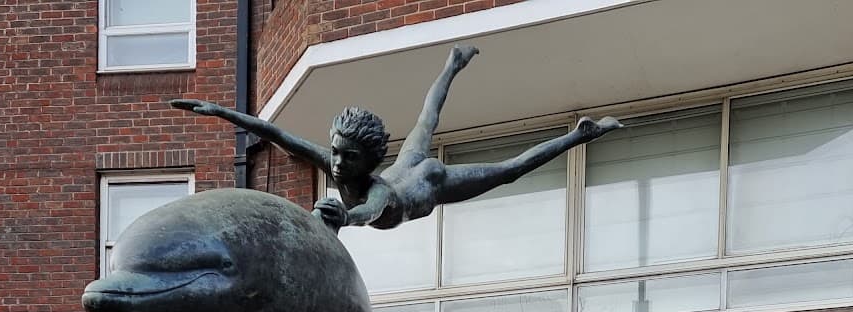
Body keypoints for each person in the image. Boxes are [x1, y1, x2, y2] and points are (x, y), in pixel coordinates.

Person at [171, 44, 621, 233]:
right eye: (335, 152)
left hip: (428, 184)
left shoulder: (380, 192)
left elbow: (366, 213)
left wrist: (341, 221)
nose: (338, 164)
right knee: (426, 117)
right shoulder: (334, 162)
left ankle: (579, 136)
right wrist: (221, 111)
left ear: (367, 162)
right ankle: (453, 63)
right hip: (406, 165)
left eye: (349, 157)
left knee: (508, 171)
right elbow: (279, 133)